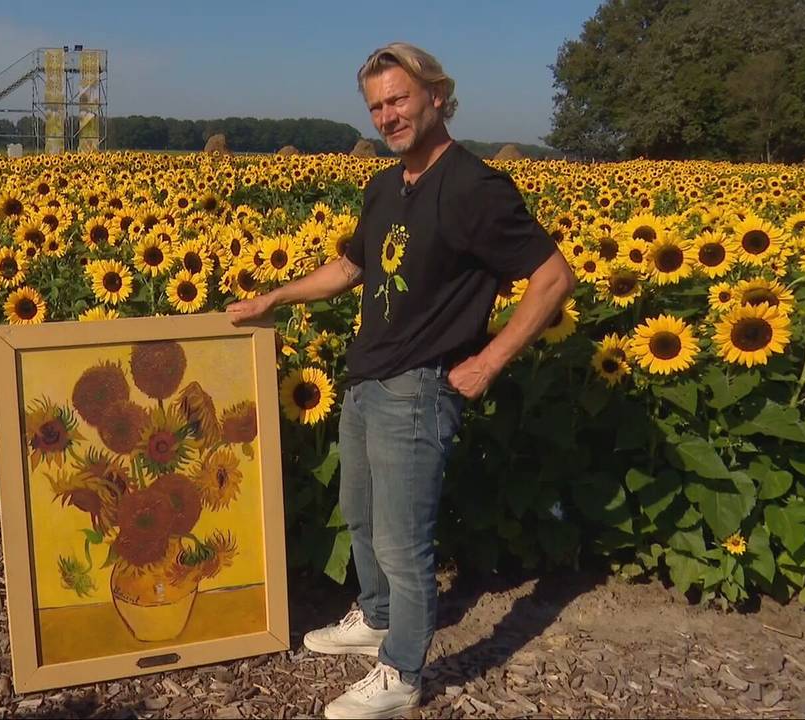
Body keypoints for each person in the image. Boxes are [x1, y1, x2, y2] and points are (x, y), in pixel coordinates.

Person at [227, 42, 576, 719]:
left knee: (402, 539)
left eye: (399, 99)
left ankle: (402, 672)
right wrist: (276, 297)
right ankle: (380, 618)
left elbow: (553, 275)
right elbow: (351, 269)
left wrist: (491, 359)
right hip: (367, 378)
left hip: (419, 387)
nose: (389, 115)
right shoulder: (386, 185)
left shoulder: (474, 186)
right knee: (361, 515)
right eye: (377, 105)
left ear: (437, 97)